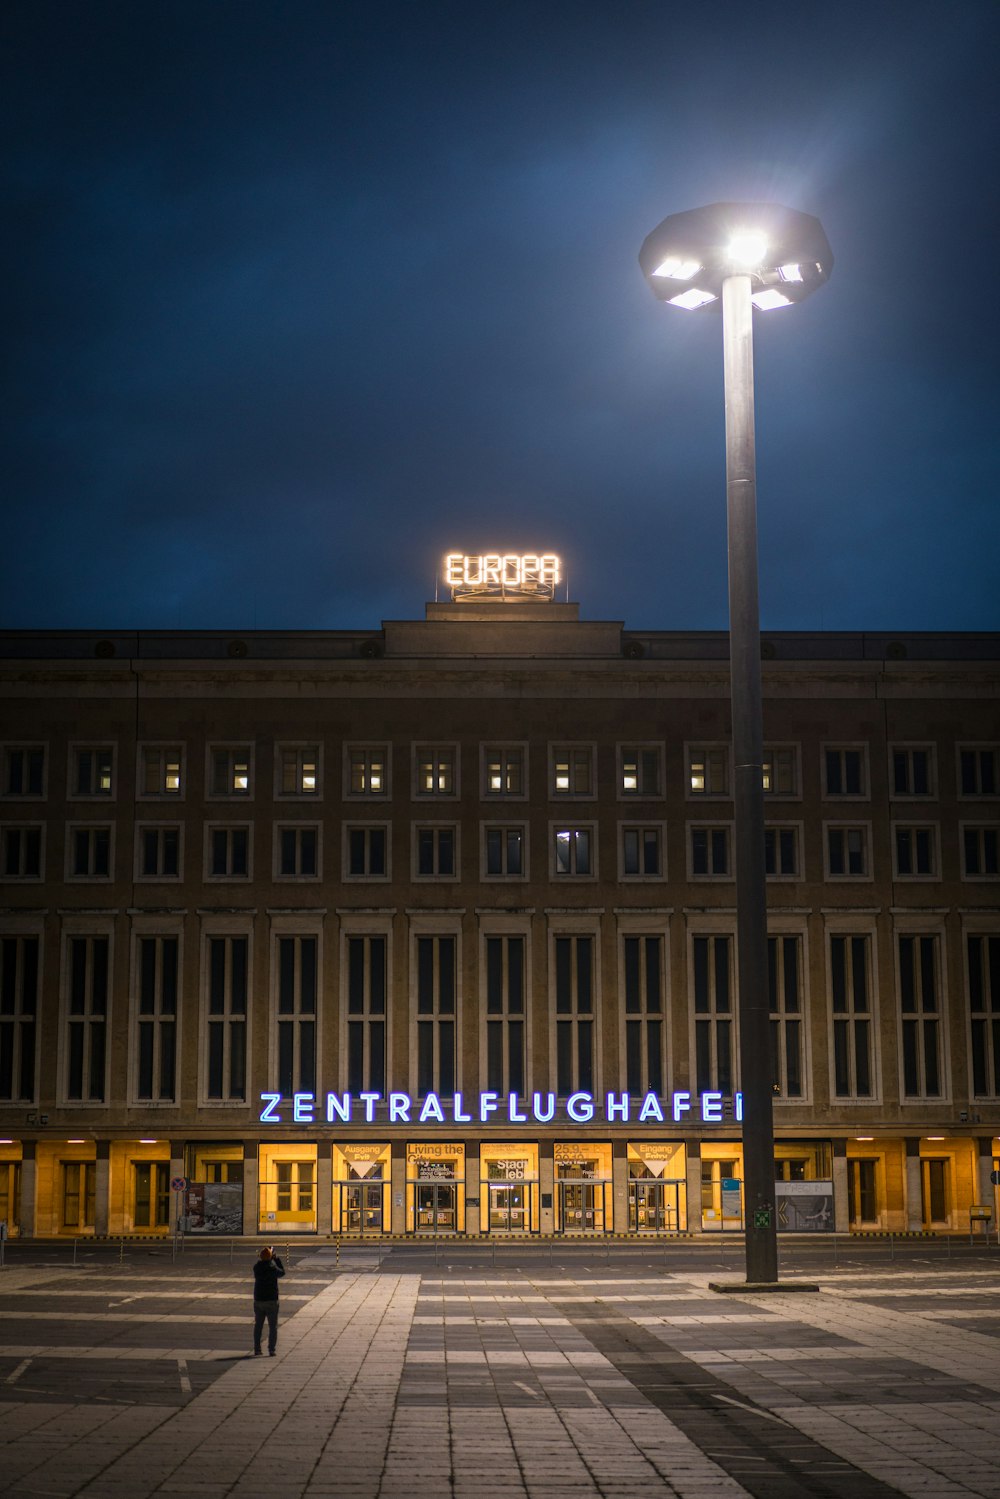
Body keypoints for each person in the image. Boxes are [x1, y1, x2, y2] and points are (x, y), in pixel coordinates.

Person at [252, 1245, 285, 1356]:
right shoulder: (273, 1268)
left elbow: (261, 1263)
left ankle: (257, 1349)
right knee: (272, 1327)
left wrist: (268, 1257)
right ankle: (271, 1349)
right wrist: (276, 1258)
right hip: (271, 1300)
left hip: (259, 1300)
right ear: (271, 1257)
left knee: (258, 1326)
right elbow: (282, 1272)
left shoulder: (256, 1268)